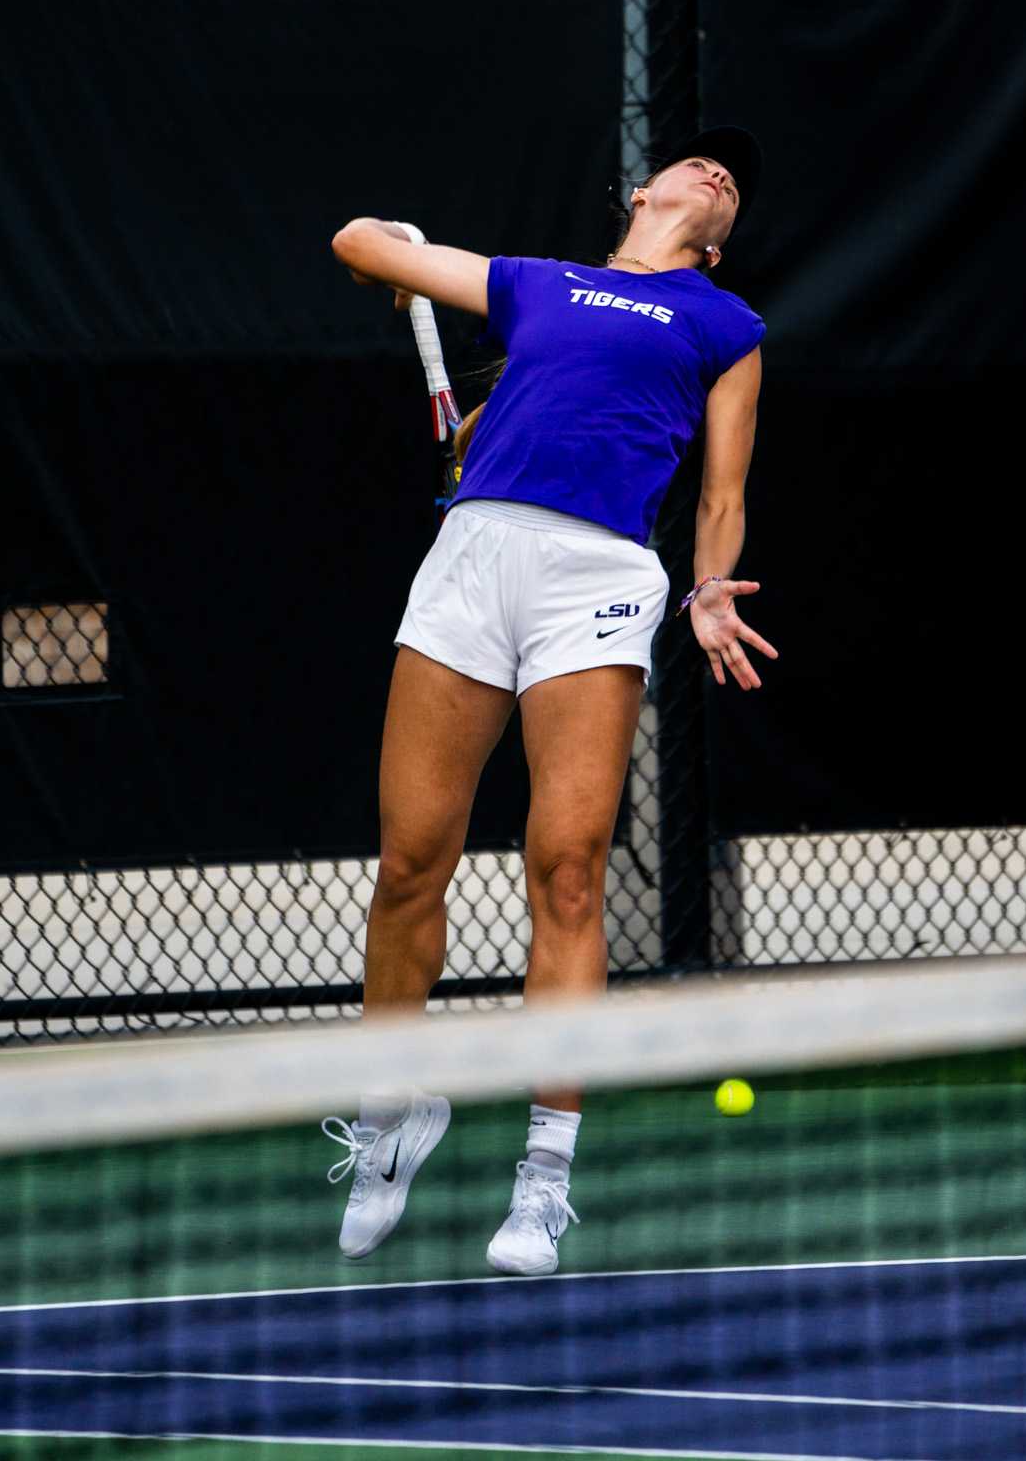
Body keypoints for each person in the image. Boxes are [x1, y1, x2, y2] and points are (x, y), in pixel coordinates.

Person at [323, 126, 776, 1275]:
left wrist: (713, 587)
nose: (716, 172)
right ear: (642, 189)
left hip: (600, 580)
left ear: (720, 243)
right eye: (696, 163)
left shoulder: (725, 326)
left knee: (566, 862)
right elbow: (354, 241)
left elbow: (722, 491)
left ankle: (543, 1178)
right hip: (473, 559)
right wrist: (400, 252)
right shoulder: (535, 286)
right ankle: (391, 1113)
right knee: (411, 858)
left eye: (732, 184)